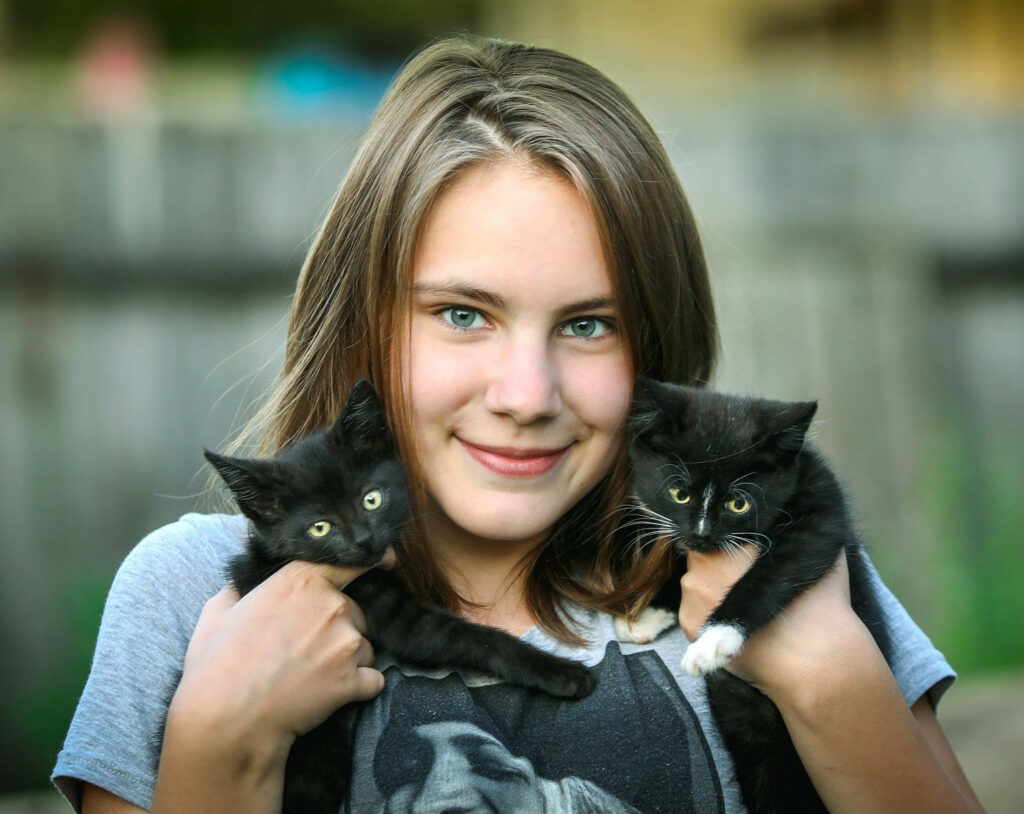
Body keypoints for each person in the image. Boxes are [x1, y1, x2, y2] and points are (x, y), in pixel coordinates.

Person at [53, 35, 982, 813]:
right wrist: (222, 738)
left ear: (654, 352)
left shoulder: (770, 577)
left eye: (589, 324)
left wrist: (834, 683)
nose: (527, 392)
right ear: (362, 320)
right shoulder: (194, 603)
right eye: (463, 313)